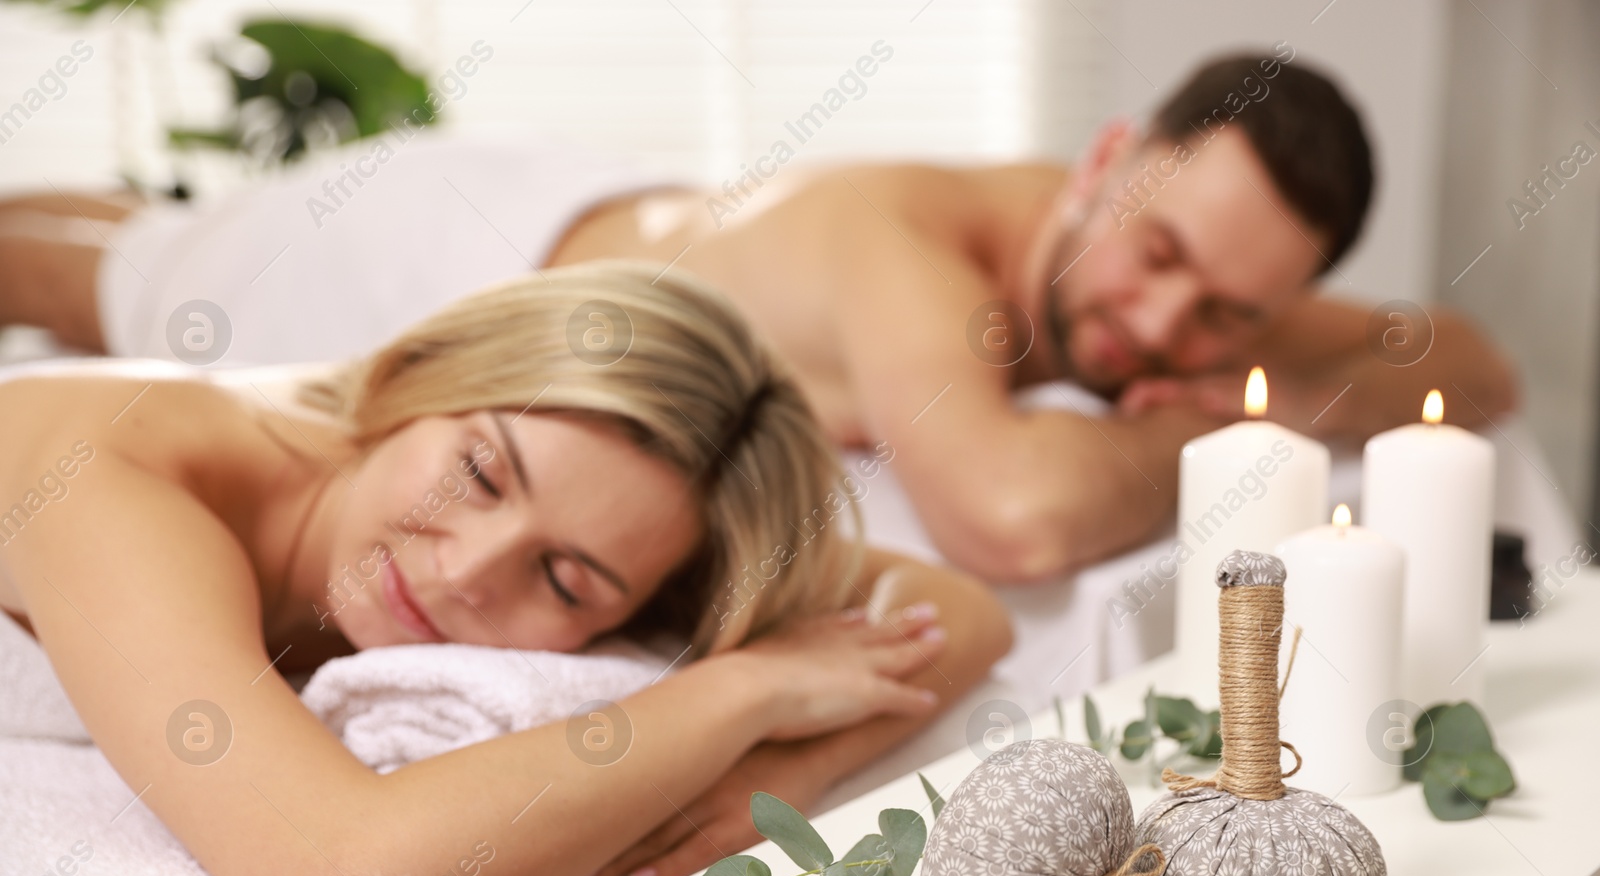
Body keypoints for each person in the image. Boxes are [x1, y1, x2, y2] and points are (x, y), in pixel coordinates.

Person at [0, 50, 1518, 583]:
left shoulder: (1169, 286)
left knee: (138, 238)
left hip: (640, 210)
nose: (1160, 317)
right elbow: (1014, 513)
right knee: (100, 270)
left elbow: (1469, 363)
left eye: (1229, 307)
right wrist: (1252, 412)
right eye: (1160, 248)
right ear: (1107, 159)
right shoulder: (909, 246)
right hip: (441, 259)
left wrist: (1271, 359)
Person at [0, 261, 1013, 876]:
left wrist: (781, 772)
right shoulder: (116, 471)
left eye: (567, 581)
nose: (470, 571)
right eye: (479, 472)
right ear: (412, 379)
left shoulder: (643, 522)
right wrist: (743, 690)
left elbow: (960, 611)